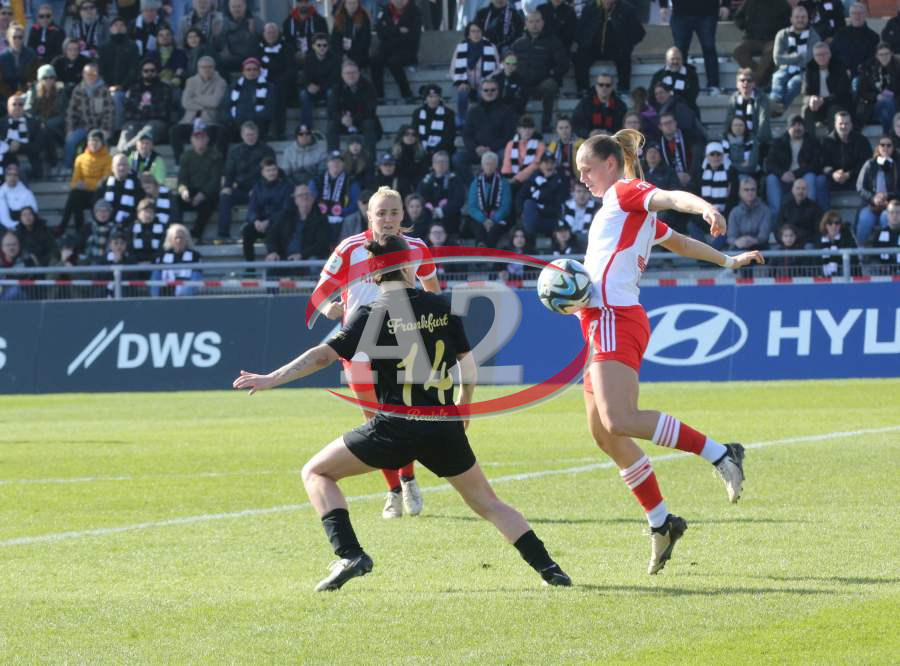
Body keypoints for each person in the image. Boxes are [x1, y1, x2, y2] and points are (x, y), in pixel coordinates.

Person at [234, 225, 571, 591]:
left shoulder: (371, 313)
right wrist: (464, 405)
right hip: (443, 424)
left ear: (372, 272)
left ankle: (350, 554)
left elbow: (322, 357)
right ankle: (550, 568)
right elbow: (468, 365)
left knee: (316, 473)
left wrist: (272, 378)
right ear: (409, 264)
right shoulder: (442, 306)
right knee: (488, 503)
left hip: (395, 426)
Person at [573, 130, 761, 574]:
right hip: (599, 321)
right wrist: (728, 261)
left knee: (619, 420)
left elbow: (674, 198)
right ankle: (662, 523)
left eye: (587, 169)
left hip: (615, 317)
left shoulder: (625, 193)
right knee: (604, 434)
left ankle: (721, 453)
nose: (582, 178)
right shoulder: (624, 209)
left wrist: (705, 207)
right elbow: (679, 243)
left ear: (611, 164)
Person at [312, 187, 442, 521]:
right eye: (381, 213)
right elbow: (320, 294)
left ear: (403, 215)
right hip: (358, 349)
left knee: (402, 417)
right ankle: (394, 490)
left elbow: (433, 291)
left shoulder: (417, 248)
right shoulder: (349, 248)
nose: (387, 219)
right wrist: (329, 308)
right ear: (369, 216)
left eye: (394, 212)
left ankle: (407, 480)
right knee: (374, 423)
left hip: (402, 346)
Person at [509, 12, 567, 133]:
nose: (534, 25)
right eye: (531, 22)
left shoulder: (553, 41)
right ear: (526, 24)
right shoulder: (518, 43)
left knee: (550, 86)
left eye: (537, 21)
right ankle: (516, 128)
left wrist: (552, 75)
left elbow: (563, 63)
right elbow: (508, 60)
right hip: (522, 83)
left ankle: (546, 124)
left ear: (542, 23)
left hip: (542, 82)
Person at [218, 120, 275, 240]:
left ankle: (252, 232)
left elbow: (271, 173)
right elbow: (230, 172)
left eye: (253, 134)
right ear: (242, 135)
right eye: (248, 135)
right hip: (240, 189)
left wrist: (257, 188)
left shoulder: (267, 151)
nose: (250, 137)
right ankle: (223, 234)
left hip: (260, 189)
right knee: (224, 196)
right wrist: (227, 187)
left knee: (260, 197)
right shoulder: (234, 152)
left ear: (257, 134)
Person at [574, 0, 644, 94]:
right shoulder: (590, 8)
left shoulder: (627, 9)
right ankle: (583, 89)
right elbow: (579, 30)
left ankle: (623, 89)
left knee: (624, 57)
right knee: (580, 57)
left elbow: (639, 32)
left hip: (616, 48)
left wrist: (628, 45)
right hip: (593, 48)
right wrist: (584, 43)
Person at [658, 0, 729, 93]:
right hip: (681, 12)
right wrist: (663, 5)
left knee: (709, 48)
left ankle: (713, 85)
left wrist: (725, 4)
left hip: (708, 11)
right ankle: (677, 85)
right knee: (680, 50)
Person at [765, 115, 827, 214]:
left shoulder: (812, 142)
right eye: (793, 125)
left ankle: (808, 213)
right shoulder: (779, 142)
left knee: (810, 176)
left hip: (803, 176)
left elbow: (815, 164)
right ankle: (775, 218)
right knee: (771, 179)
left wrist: (796, 174)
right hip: (783, 179)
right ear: (788, 128)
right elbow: (770, 163)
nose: (797, 128)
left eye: (800, 125)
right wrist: (782, 174)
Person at [169, 54, 224, 162]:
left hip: (209, 121)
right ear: (198, 68)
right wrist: (206, 104)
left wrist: (195, 98)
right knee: (174, 131)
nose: (206, 70)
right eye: (203, 67)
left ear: (214, 68)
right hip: (190, 120)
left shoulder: (221, 82)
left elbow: (215, 102)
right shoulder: (191, 81)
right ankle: (180, 162)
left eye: (209, 67)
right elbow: (185, 102)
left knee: (213, 133)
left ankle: (209, 162)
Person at [57, 129, 111, 237]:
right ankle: (69, 228)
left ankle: (95, 229)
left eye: (96, 140)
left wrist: (86, 183)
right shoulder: (80, 158)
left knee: (98, 192)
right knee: (74, 195)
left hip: (98, 194)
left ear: (102, 142)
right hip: (84, 193)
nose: (93, 143)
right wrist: (77, 185)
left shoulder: (108, 159)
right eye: (91, 140)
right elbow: (74, 181)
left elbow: (104, 181)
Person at [455, 79, 516, 175]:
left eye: (493, 90)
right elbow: (467, 135)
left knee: (505, 155)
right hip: (476, 151)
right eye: (486, 90)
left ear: (498, 91)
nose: (489, 92)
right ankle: (473, 182)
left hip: (497, 151)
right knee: (458, 158)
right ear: (481, 92)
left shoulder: (507, 111)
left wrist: (490, 148)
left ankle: (497, 182)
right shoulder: (473, 111)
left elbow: (509, 136)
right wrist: (476, 148)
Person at [770, 4, 820, 117]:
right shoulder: (782, 34)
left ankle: (778, 109)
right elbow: (777, 59)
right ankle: (774, 104)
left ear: (808, 19)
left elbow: (806, 60)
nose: (800, 20)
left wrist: (788, 57)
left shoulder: (814, 37)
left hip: (806, 71)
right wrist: (798, 57)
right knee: (777, 77)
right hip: (784, 69)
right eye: (797, 17)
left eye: (803, 17)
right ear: (791, 19)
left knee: (794, 83)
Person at [326, 60, 381, 160]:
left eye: (353, 72)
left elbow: (371, 110)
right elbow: (331, 110)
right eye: (347, 73)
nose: (351, 75)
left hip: (362, 121)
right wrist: (342, 118)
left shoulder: (369, 87)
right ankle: (333, 159)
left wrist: (353, 119)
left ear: (358, 73)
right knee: (331, 126)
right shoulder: (336, 87)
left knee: (369, 124)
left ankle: (370, 160)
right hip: (343, 122)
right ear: (342, 75)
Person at [177, 120, 222, 240]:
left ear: (207, 139)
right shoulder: (186, 156)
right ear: (192, 140)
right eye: (197, 138)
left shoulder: (216, 156)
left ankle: (196, 234)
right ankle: (177, 232)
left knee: (209, 204)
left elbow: (215, 181)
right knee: (175, 200)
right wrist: (183, 190)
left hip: (208, 193)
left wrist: (203, 194)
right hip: (191, 191)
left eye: (203, 138)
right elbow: (182, 178)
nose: (200, 141)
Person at [265, 182, 330, 264]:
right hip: (284, 257)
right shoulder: (284, 217)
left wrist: (301, 255)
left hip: (307, 259)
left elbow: (321, 245)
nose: (305, 197)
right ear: (295, 200)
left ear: (313, 199)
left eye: (307, 194)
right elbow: (271, 236)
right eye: (300, 195)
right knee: (271, 260)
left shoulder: (322, 220)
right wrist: (272, 251)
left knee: (313, 262)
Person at [241, 157, 292, 262]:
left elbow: (286, 210)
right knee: (247, 231)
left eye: (274, 170)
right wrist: (256, 221)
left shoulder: (287, 186)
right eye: (268, 170)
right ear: (262, 173)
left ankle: (273, 264)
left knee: (274, 229)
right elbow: (252, 208)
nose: (271, 173)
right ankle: (250, 266)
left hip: (279, 223)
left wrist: (269, 221)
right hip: (261, 224)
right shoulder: (257, 187)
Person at [450, 22, 500, 128]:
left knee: (483, 92)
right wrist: (460, 82)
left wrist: (486, 80)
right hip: (466, 83)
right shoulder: (460, 47)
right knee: (462, 93)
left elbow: (497, 68)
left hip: (484, 82)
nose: (476, 34)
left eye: (478, 31)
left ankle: (483, 120)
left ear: (482, 33)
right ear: (468, 34)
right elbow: (453, 68)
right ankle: (462, 119)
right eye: (473, 31)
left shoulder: (491, 47)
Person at [732, 0, 791, 88]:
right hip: (752, 39)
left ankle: (755, 83)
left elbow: (789, 21)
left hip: (773, 39)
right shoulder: (749, 2)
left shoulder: (782, 3)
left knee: (773, 49)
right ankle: (762, 80)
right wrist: (745, 25)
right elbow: (737, 17)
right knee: (738, 51)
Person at [64, 62, 114, 166]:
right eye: (88, 74)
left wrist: (105, 129)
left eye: (94, 74)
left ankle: (103, 167)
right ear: (83, 74)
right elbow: (71, 112)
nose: (91, 76)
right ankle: (67, 166)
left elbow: (109, 112)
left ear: (98, 75)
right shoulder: (78, 90)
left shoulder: (104, 90)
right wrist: (70, 129)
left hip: (99, 127)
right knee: (70, 140)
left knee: (103, 142)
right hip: (83, 127)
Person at [371, 0, 422, 102]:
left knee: (394, 62)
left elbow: (413, 35)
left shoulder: (415, 11)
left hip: (406, 49)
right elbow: (380, 32)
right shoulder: (385, 10)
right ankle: (379, 95)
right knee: (375, 61)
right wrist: (398, 30)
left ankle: (406, 94)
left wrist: (390, 31)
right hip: (387, 48)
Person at [219, 56, 273, 150]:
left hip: (256, 125)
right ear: (243, 71)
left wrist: (252, 121)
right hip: (236, 125)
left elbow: (269, 109)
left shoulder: (268, 87)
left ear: (259, 71)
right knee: (222, 132)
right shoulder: (234, 86)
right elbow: (226, 106)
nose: (252, 72)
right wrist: (231, 120)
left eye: (255, 69)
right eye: (248, 69)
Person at [855, 135, 900, 246]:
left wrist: (887, 196)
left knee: (887, 218)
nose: (885, 148)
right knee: (865, 218)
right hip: (871, 205)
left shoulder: (897, 165)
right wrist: (873, 198)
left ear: (893, 148)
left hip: (891, 205)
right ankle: (860, 253)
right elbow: (860, 187)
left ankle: (887, 252)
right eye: (882, 145)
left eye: (889, 145)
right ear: (878, 147)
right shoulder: (870, 164)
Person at [515, 152, 568, 241]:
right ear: (540, 165)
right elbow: (520, 197)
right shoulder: (533, 179)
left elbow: (559, 202)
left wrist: (548, 187)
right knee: (528, 204)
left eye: (551, 163)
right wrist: (521, 213)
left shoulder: (561, 181)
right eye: (546, 163)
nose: (549, 166)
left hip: (551, 217)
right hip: (533, 218)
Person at [25, 64, 67, 173]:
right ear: (40, 79)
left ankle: (49, 165)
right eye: (45, 78)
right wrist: (39, 122)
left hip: (56, 127)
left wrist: (46, 123)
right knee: (45, 133)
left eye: (51, 77)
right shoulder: (33, 91)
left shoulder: (60, 91)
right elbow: (28, 111)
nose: (48, 80)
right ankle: (52, 164)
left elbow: (63, 114)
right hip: (37, 126)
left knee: (47, 131)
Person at [802, 42, 852, 133]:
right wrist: (810, 99)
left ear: (830, 54)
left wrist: (823, 100)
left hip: (836, 103)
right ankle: (809, 139)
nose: (822, 57)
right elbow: (805, 92)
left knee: (834, 110)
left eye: (825, 54)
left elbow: (842, 93)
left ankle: (832, 139)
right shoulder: (810, 68)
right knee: (806, 109)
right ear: (814, 56)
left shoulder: (839, 66)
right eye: (818, 55)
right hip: (818, 106)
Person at [311, 150, 360, 243]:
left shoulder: (351, 181)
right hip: (320, 218)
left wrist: (341, 212)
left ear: (343, 164)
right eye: (332, 161)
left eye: (339, 161)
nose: (336, 164)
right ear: (327, 163)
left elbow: (355, 204)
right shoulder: (317, 180)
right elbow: (311, 200)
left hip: (344, 219)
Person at [121, 57, 173, 144]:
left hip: (156, 122)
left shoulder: (164, 88)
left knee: (145, 133)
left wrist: (141, 108)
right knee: (127, 131)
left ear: (157, 72)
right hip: (135, 121)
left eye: (152, 71)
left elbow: (163, 111)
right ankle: (128, 149)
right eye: (146, 71)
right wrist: (147, 109)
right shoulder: (134, 88)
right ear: (141, 72)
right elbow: (128, 110)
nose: (149, 73)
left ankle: (127, 149)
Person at [820, 111, 871, 196]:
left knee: (868, 179)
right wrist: (833, 174)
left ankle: (866, 204)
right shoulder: (827, 141)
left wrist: (849, 174)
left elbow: (866, 163)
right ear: (835, 125)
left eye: (846, 123)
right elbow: (824, 163)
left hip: (856, 178)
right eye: (840, 124)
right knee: (820, 181)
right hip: (834, 179)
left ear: (851, 125)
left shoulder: (862, 141)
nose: (843, 126)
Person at [465, 150, 510, 247]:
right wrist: (484, 220)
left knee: (494, 230)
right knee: (478, 227)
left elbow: (505, 206)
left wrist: (493, 220)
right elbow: (472, 206)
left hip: (497, 217)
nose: (489, 166)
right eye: (487, 164)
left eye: (492, 164)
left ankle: (486, 250)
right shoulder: (475, 182)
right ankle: (480, 245)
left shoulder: (504, 182)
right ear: (482, 165)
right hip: (480, 216)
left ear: (496, 166)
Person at [417, 150, 465, 236]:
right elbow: (420, 197)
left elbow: (458, 201)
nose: (441, 164)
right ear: (433, 164)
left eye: (444, 162)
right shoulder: (426, 180)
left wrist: (441, 211)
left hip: (449, 217)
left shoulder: (455, 180)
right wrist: (431, 210)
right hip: (429, 216)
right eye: (438, 162)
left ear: (448, 164)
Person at [299, 31, 340, 131]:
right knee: (303, 94)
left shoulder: (335, 59)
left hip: (327, 89)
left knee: (332, 93)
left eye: (325, 45)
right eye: (319, 45)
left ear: (328, 46)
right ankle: (306, 129)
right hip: (313, 90)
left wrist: (320, 87)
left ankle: (332, 126)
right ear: (313, 46)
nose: (322, 48)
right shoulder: (308, 59)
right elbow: (305, 78)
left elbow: (335, 79)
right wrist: (308, 85)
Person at [857, 43, 900, 136]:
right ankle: (892, 135)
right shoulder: (868, 69)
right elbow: (862, 92)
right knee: (886, 103)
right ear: (876, 55)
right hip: (874, 105)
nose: (884, 57)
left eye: (887, 54)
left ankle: (886, 135)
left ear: (891, 54)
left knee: (886, 111)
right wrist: (877, 96)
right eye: (881, 54)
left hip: (895, 104)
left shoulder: (898, 68)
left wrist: (892, 95)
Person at [831, 2, 879, 82]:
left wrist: (855, 70)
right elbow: (832, 53)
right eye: (854, 13)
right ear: (850, 15)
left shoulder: (873, 36)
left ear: (865, 15)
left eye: (860, 13)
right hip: (841, 74)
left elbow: (873, 58)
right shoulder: (840, 33)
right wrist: (842, 70)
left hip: (863, 76)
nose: (857, 16)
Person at [151, 223, 202, 297]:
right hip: (165, 295)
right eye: (176, 238)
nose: (179, 240)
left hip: (187, 297)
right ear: (170, 240)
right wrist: (155, 298)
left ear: (186, 239)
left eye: (181, 238)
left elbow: (196, 278)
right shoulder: (162, 256)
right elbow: (155, 278)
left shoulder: (195, 256)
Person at [693, 141, 739, 223]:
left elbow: (732, 197)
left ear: (722, 156)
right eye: (712, 154)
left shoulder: (731, 172)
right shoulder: (700, 172)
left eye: (718, 154)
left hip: (725, 214)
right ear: (707, 156)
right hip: (703, 215)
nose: (715, 157)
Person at [725, 69, 771, 148]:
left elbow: (763, 122)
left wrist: (755, 142)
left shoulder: (762, 98)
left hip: (759, 141)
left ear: (754, 84)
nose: (745, 83)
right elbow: (729, 122)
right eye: (742, 80)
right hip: (738, 140)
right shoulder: (734, 99)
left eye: (749, 80)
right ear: (737, 84)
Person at [2, 94, 44, 179]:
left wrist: (20, 146)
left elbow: (38, 147)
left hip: (29, 162)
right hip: (6, 163)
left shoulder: (35, 124)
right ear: (8, 107)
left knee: (20, 172)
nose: (17, 107)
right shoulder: (1, 124)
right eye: (14, 104)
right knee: (13, 172)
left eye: (20, 104)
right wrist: (9, 146)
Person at [572, 72, 626, 138]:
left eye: (608, 85)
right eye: (601, 85)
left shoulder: (620, 106)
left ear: (612, 87)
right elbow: (576, 124)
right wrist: (589, 133)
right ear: (596, 86)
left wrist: (612, 134)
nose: (604, 87)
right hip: (589, 140)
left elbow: (623, 126)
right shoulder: (585, 104)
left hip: (612, 141)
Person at [215, 0, 261, 75]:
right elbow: (218, 47)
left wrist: (253, 33)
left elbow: (264, 40)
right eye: (233, 7)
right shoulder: (223, 24)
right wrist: (217, 35)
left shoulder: (256, 21)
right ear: (229, 8)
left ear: (245, 6)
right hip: (231, 61)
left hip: (251, 60)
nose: (236, 9)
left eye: (239, 6)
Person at [650, 47, 699, 114]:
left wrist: (672, 95)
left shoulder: (691, 75)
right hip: (664, 113)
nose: (675, 62)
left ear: (682, 60)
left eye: (678, 59)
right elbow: (651, 97)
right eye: (672, 59)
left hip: (686, 112)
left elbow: (692, 96)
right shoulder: (658, 76)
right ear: (667, 61)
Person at [412, 84, 456, 159]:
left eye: (436, 96)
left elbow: (449, 135)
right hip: (421, 149)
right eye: (431, 97)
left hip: (443, 149)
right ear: (426, 99)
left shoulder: (448, 113)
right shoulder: (417, 113)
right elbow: (415, 132)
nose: (434, 99)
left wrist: (436, 149)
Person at [727, 178, 771, 251]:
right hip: (739, 248)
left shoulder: (765, 211)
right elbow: (731, 237)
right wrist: (737, 242)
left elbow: (763, 236)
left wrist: (750, 240)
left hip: (760, 248)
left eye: (752, 189)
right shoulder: (734, 212)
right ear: (740, 192)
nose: (750, 192)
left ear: (756, 191)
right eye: (746, 190)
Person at [775, 177, 822, 245]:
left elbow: (818, 231)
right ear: (792, 190)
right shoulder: (785, 207)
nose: (800, 191)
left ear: (808, 191)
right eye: (798, 188)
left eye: (803, 189)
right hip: (788, 244)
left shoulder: (815, 208)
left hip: (807, 243)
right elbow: (778, 228)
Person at [501, 115, 544, 188]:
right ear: (519, 129)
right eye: (524, 128)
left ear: (534, 129)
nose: (527, 131)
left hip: (531, 179)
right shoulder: (510, 144)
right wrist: (507, 179)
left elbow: (535, 165)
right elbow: (507, 164)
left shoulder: (540, 145)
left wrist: (518, 178)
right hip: (511, 179)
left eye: (530, 128)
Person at [97, 153, 141, 225]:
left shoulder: (136, 184)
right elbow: (97, 205)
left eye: (124, 165)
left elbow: (139, 207)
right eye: (118, 165)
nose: (121, 168)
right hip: (106, 223)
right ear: (112, 168)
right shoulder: (104, 183)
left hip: (129, 224)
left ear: (129, 167)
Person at [329, 0, 371, 70]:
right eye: (349, 3)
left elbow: (365, 41)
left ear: (358, 4)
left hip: (358, 55)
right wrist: (342, 55)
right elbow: (334, 39)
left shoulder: (364, 18)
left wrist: (350, 56)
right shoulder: (339, 17)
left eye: (354, 3)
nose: (352, 5)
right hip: (341, 54)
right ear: (344, 5)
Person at [0, 23, 39, 96]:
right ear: (8, 38)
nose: (17, 40)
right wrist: (11, 96)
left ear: (23, 38)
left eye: (20, 37)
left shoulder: (31, 55)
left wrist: (23, 92)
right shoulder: (2, 57)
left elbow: (34, 77)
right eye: (14, 37)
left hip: (27, 93)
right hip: (6, 96)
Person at [0, 164, 39, 231]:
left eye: (15, 175)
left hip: (24, 228)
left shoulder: (27, 193)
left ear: (18, 177)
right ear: (5, 176)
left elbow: (34, 211)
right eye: (9, 175)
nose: (12, 177)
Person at [817, 209, 855, 276]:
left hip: (842, 272)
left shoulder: (847, 239)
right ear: (825, 225)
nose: (834, 226)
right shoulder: (818, 240)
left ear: (840, 225)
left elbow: (852, 260)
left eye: (837, 223)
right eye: (830, 223)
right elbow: (817, 262)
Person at [128, 197, 167, 262]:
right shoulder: (132, 228)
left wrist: (152, 260)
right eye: (145, 212)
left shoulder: (161, 228)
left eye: (150, 212)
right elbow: (129, 247)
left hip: (156, 262)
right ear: (138, 214)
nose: (148, 215)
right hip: (136, 263)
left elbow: (163, 247)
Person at [722, 116, 760, 182]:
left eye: (741, 125)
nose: (738, 128)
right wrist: (740, 165)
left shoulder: (752, 140)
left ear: (745, 127)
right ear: (731, 127)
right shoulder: (724, 141)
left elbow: (751, 166)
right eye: (735, 125)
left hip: (747, 174)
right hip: (728, 174)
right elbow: (723, 164)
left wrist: (732, 165)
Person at [545, 115, 581, 184]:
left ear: (571, 128)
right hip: (559, 179)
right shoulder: (553, 145)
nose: (564, 130)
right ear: (556, 129)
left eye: (567, 127)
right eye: (561, 128)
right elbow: (547, 162)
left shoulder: (581, 144)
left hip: (578, 180)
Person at [562, 181, 598, 245]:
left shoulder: (596, 208)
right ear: (573, 193)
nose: (582, 195)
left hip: (589, 241)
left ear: (590, 193)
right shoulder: (566, 207)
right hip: (569, 241)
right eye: (578, 191)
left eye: (585, 191)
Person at [874, 198, 900, 272]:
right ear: (887, 214)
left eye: (898, 212)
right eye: (891, 212)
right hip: (885, 275)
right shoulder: (879, 234)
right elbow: (874, 256)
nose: (895, 215)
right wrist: (879, 266)